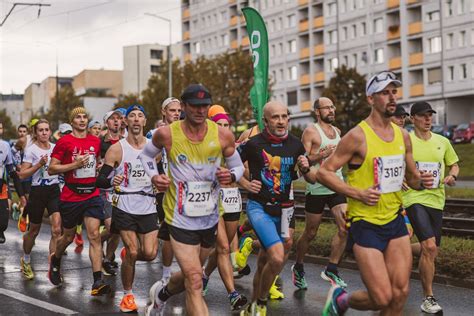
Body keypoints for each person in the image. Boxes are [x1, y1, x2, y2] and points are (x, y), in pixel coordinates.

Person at [315, 71, 434, 316]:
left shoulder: (402, 135)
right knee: (382, 297)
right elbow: (324, 173)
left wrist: (422, 181)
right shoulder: (357, 136)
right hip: (365, 224)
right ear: (371, 98)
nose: (391, 98)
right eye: (384, 93)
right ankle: (341, 301)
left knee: (400, 294)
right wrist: (356, 193)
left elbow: (412, 179)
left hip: (394, 221)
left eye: (393, 92)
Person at [141, 84, 245, 316]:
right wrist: (154, 176)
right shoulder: (167, 133)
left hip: (208, 217)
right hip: (179, 217)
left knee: (192, 273)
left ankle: (162, 295)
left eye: (205, 106)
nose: (200, 110)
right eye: (195, 106)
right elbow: (146, 156)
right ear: (185, 106)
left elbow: (237, 166)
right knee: (196, 281)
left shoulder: (222, 134)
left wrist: (232, 175)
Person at [238, 101, 312, 316]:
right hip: (259, 207)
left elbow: (304, 174)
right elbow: (230, 165)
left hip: (285, 209)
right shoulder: (252, 144)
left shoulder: (296, 144)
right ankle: (261, 302)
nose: (281, 121)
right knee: (277, 258)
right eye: (275, 117)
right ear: (266, 121)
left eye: (284, 116)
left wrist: (307, 168)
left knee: (264, 262)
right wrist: (245, 183)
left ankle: (252, 306)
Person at [97, 105, 159, 313]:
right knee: (133, 250)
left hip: (148, 205)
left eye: (140, 116)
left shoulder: (154, 148)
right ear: (126, 122)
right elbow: (100, 180)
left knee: (150, 253)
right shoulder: (117, 149)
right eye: (131, 116)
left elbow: (163, 173)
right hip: (125, 205)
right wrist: (112, 180)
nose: (135, 119)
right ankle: (128, 295)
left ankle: (126, 258)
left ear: (144, 122)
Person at [47, 107, 111, 296]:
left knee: (94, 236)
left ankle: (97, 281)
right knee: (67, 237)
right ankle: (56, 259)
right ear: (72, 121)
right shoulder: (64, 142)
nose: (82, 120)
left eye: (84, 117)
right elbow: (52, 169)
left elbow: (97, 161)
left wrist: (98, 166)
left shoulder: (95, 141)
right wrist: (74, 165)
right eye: (78, 117)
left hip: (92, 195)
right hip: (71, 195)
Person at [403, 101, 459, 314]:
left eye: (430, 115)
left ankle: (398, 250)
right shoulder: (405, 141)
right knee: (429, 246)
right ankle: (428, 298)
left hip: (437, 199)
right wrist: (401, 179)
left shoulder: (442, 141)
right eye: (423, 115)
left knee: (432, 248)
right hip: (413, 198)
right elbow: (393, 164)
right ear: (413, 118)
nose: (428, 119)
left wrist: (452, 175)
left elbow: (453, 163)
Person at [293, 97, 348, 290]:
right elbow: (302, 160)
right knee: (311, 232)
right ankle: (298, 266)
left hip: (336, 184)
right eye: (327, 108)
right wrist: (321, 155)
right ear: (318, 111)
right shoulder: (310, 131)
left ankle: (331, 268)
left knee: (345, 227)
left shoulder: (338, 132)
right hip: (316, 186)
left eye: (333, 106)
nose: (332, 110)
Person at [202, 111, 248, 311]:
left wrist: (248, 183)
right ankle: (232, 294)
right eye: (219, 124)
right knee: (223, 248)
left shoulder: (233, 147)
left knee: (224, 247)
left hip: (232, 200)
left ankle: (204, 275)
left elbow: (241, 171)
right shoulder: (206, 147)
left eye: (226, 124)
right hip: (213, 200)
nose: (223, 127)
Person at [19, 119, 61, 280]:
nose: (44, 133)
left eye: (46, 129)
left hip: (54, 189)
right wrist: (38, 165)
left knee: (57, 229)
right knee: (34, 230)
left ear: (50, 132)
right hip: (37, 191)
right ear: (36, 133)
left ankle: (53, 266)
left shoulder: (56, 148)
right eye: (41, 130)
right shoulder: (31, 150)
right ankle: (26, 259)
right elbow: (22, 174)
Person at [146, 97, 182, 284]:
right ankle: (167, 274)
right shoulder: (154, 133)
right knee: (170, 230)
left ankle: (190, 270)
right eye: (172, 110)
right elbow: (147, 158)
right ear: (163, 112)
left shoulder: (185, 131)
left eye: (178, 110)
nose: (176, 114)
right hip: (162, 188)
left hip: (183, 188)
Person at [98, 109, 123, 275]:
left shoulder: (126, 142)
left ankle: (107, 259)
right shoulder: (99, 143)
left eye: (119, 119)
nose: (116, 121)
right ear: (107, 123)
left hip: (121, 190)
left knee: (118, 229)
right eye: (112, 119)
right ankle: (96, 242)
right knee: (112, 227)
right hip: (104, 189)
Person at [0, 121, 27, 243]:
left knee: (3, 223)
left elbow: (11, 170)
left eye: (0, 128)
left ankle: (1, 230)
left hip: (2, 185)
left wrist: (21, 196)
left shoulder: (5, 146)